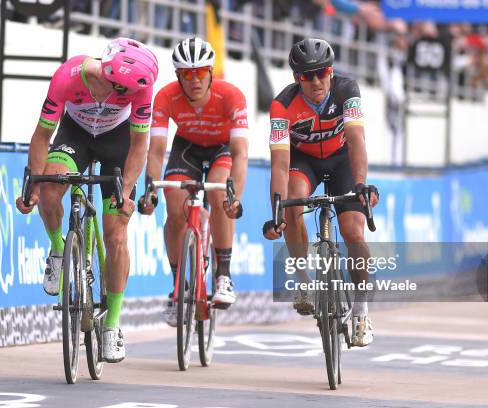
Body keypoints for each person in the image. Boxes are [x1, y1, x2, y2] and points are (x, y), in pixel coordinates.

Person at [15, 37, 158, 363]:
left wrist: (128, 189)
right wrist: (34, 184)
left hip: (117, 143)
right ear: (106, 72)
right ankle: (57, 249)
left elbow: (139, 146)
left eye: (124, 94)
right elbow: (41, 136)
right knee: (50, 189)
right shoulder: (68, 75)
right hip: (75, 134)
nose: (116, 96)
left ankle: (111, 325)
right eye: (115, 89)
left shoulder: (141, 89)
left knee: (116, 232)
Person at [262, 38, 379, 347]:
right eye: (306, 76)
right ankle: (304, 285)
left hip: (342, 160)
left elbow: (356, 138)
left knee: (353, 232)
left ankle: (361, 311)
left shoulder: (346, 90)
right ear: (295, 78)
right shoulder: (281, 105)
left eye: (321, 72)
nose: (315, 81)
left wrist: (361, 183)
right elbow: (280, 164)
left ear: (331, 71)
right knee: (292, 203)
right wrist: (276, 210)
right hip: (305, 161)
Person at [139, 37, 248, 326]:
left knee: (218, 196)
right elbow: (157, 149)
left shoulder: (231, 96)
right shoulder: (165, 96)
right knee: (174, 207)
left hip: (222, 148)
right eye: (187, 74)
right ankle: (179, 288)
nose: (194, 79)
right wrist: (150, 188)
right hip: (186, 148)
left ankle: (223, 275)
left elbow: (240, 153)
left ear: (211, 72)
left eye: (200, 72)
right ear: (178, 76)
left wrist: (234, 196)